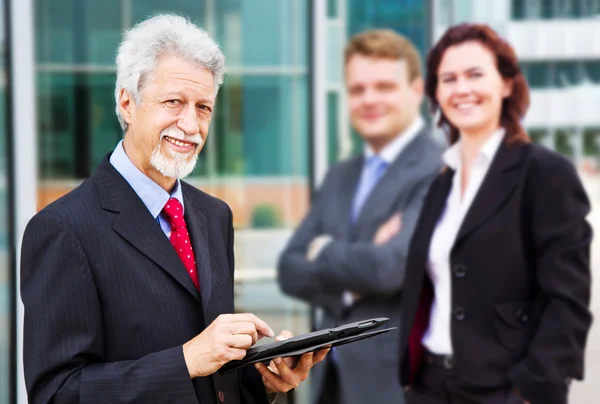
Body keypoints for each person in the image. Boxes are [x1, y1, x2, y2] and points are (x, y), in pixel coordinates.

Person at [20, 15, 326, 404]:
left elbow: (214, 380)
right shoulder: (63, 229)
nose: (190, 124)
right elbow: (56, 394)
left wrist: (262, 378)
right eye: (173, 102)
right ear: (126, 102)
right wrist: (184, 360)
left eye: (203, 108)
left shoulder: (214, 215)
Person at [398, 23, 593, 404]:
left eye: (475, 74)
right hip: (430, 387)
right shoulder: (441, 184)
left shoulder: (545, 173)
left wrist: (532, 389)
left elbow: (568, 300)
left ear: (506, 85)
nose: (462, 89)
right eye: (448, 78)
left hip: (506, 389)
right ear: (437, 93)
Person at [277, 30, 443, 404]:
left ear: (416, 91)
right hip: (329, 378)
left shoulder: (437, 170)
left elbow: (390, 268)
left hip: (399, 384)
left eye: (384, 86)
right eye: (357, 89)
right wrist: (356, 267)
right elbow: (289, 269)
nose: (369, 100)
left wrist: (323, 250)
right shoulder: (341, 176)